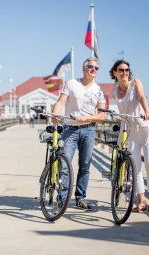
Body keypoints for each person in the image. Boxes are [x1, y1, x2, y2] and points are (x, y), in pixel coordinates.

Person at [109, 60, 149, 217]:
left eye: (126, 70)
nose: (124, 72)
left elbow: (141, 97)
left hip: (147, 129)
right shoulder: (114, 91)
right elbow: (121, 112)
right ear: (115, 73)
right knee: (136, 168)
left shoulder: (135, 82)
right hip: (131, 132)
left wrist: (147, 111)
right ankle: (141, 202)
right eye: (121, 70)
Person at [52, 57, 106, 210]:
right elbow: (61, 102)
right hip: (70, 129)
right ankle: (62, 198)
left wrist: (87, 117)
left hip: (88, 130)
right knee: (64, 164)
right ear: (84, 68)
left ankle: (80, 198)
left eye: (96, 68)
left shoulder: (99, 90)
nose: (93, 69)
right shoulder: (71, 83)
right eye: (90, 66)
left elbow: (102, 115)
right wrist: (55, 114)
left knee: (85, 166)